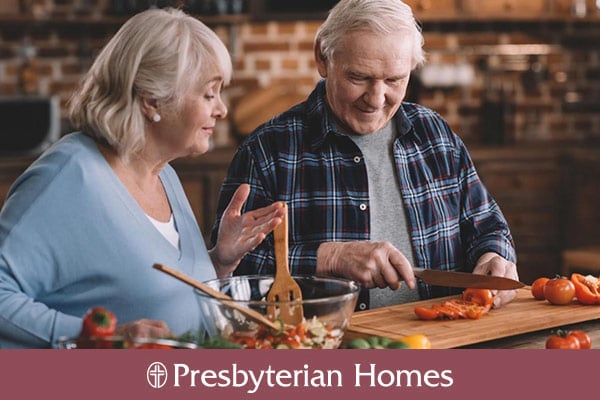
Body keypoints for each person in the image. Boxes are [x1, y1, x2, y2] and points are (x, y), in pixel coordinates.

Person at [0, 8, 284, 348]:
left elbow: (150, 286)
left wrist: (218, 261)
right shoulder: (70, 176)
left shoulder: (165, 174)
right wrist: (103, 338)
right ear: (152, 100)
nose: (222, 109)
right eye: (209, 94)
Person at [211, 0, 518, 311]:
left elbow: (488, 226)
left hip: (443, 344)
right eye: (359, 78)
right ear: (323, 57)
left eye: (395, 80)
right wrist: (329, 258)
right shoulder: (268, 150)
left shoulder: (436, 136)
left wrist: (494, 256)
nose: (376, 99)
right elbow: (231, 270)